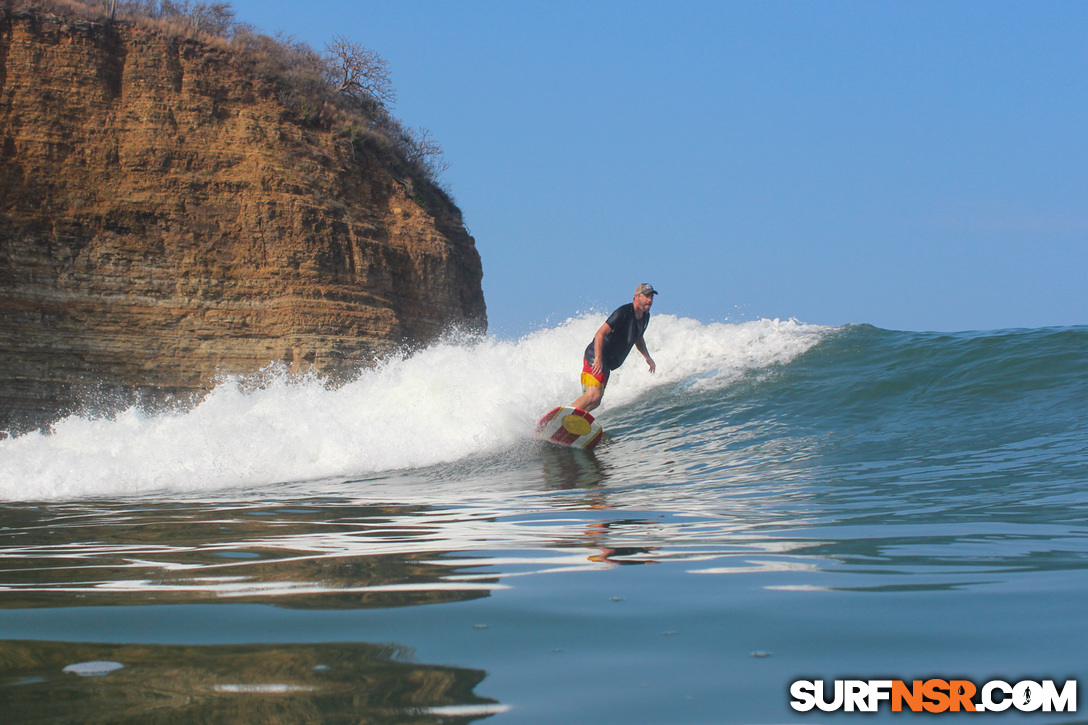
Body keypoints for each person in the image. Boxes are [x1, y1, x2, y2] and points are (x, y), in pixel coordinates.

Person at [571, 283, 658, 413]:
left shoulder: (645, 317)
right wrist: (598, 359)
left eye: (651, 296)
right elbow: (600, 334)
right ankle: (564, 417)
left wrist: (647, 357)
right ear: (636, 297)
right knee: (592, 396)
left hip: (607, 362)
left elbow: (638, 338)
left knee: (596, 401)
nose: (650, 300)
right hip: (596, 356)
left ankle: (573, 420)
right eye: (646, 296)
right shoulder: (623, 312)